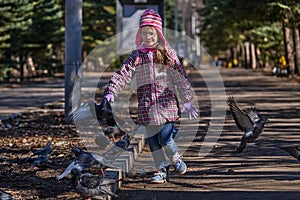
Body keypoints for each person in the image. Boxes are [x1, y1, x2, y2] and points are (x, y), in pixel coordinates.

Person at [103, 9, 198, 183]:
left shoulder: (168, 54)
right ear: (140, 33)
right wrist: (111, 90)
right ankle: (161, 171)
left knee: (165, 137)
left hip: (166, 105)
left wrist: (187, 100)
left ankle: (176, 158)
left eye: (151, 33)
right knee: (153, 142)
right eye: (145, 33)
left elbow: (180, 76)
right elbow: (123, 74)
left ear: (158, 33)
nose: (148, 36)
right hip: (146, 107)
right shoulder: (137, 56)